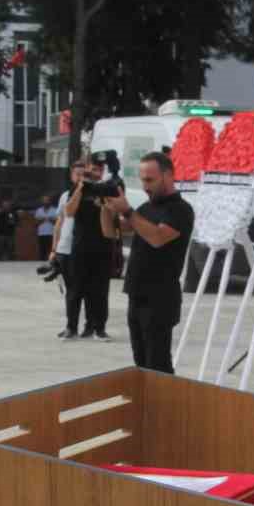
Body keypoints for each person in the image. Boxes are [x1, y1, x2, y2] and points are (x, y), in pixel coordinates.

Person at [104, 151, 193, 370]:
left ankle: (164, 405)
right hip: (137, 293)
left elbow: (157, 238)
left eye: (150, 180)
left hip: (160, 297)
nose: (145, 186)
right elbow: (110, 232)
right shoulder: (146, 208)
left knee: (158, 364)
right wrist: (106, 206)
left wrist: (126, 210)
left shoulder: (180, 210)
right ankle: (148, 404)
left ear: (169, 176)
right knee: (141, 361)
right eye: (142, 180)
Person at [66, 158, 115, 339]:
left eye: (97, 170)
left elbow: (113, 212)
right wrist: (80, 188)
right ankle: (71, 327)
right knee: (76, 289)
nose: (92, 174)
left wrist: (103, 200)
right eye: (90, 170)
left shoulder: (106, 188)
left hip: (102, 246)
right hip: (80, 246)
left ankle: (98, 328)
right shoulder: (77, 189)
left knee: (100, 290)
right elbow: (69, 212)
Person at [51, 164, 83, 339]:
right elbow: (60, 222)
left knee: (80, 290)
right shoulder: (65, 196)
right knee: (70, 291)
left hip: (82, 249)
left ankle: (90, 326)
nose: (80, 178)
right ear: (72, 175)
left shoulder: (91, 195)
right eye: (77, 174)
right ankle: (71, 326)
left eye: (83, 174)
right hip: (65, 248)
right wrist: (54, 249)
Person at [0, 196, 17, 261]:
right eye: (5, 205)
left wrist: (11, 218)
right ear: (2, 206)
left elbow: (13, 222)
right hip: (1, 235)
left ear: (10, 206)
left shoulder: (11, 213)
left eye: (7, 205)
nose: (6, 206)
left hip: (9, 235)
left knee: (10, 251)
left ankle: (11, 263)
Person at [34, 193, 57, 261]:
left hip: (51, 233)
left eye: (47, 200)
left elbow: (57, 222)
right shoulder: (39, 210)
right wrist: (43, 220)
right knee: (42, 250)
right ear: (42, 201)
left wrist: (50, 220)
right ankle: (41, 262)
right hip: (41, 233)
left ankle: (51, 263)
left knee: (51, 250)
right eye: (44, 200)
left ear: (50, 201)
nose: (46, 202)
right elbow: (36, 223)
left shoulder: (54, 210)